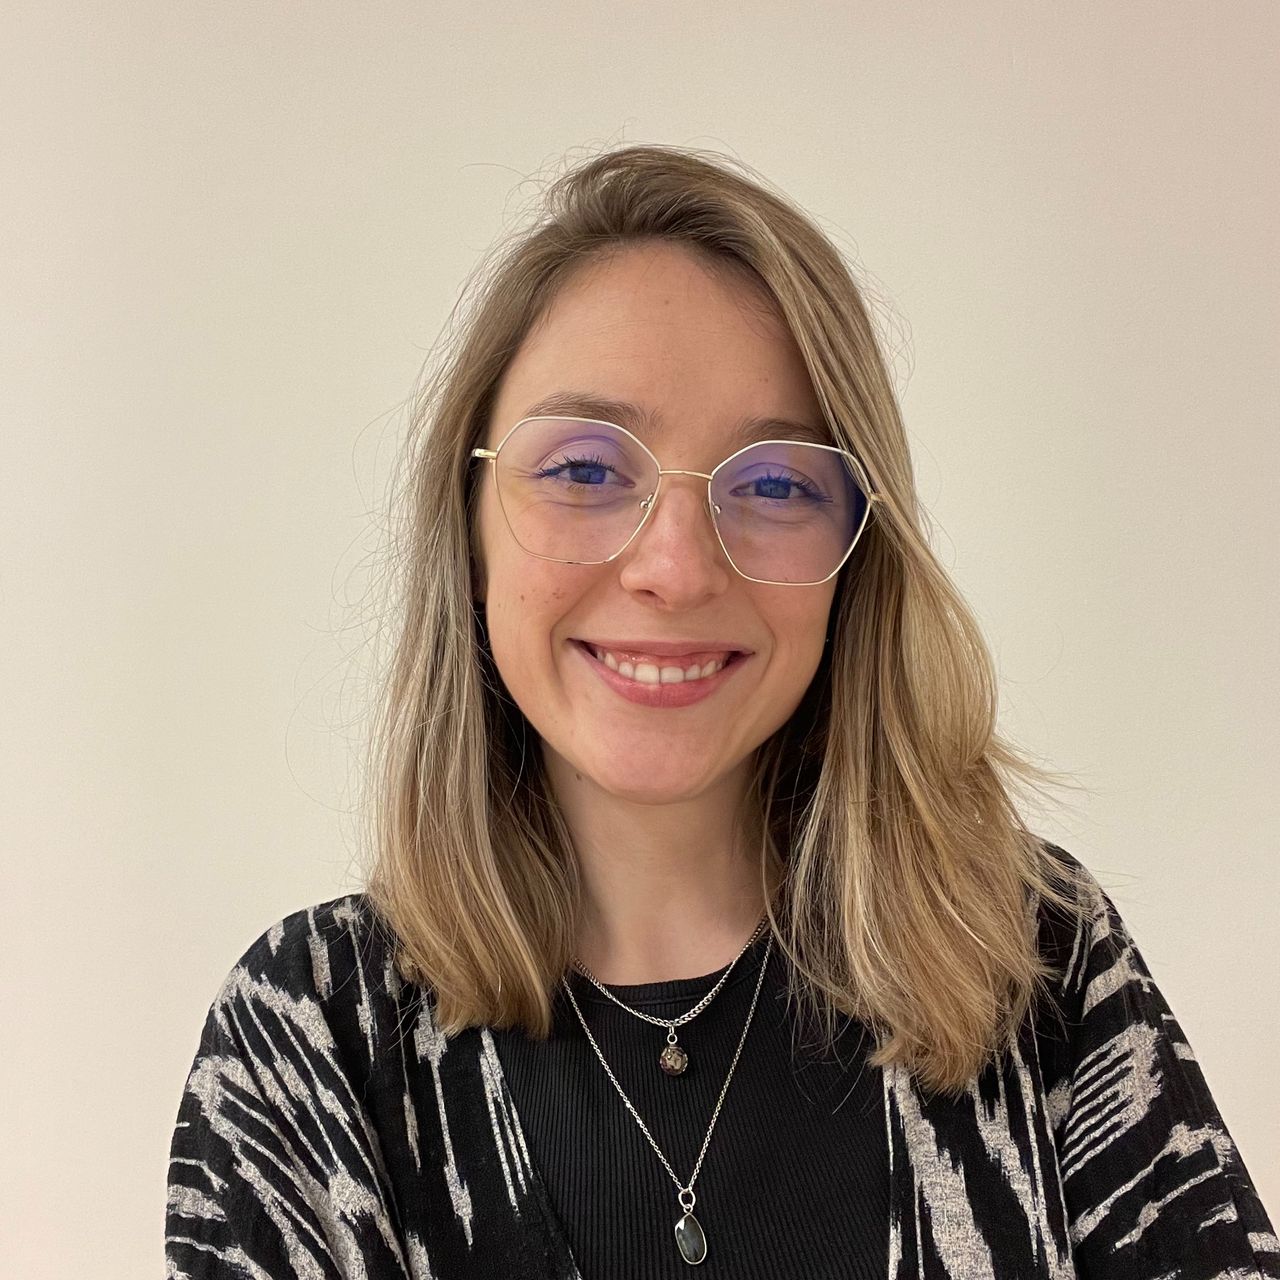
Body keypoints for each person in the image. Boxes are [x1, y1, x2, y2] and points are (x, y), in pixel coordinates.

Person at [164, 145, 1277, 1279]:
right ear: (470, 524)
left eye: (776, 483)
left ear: (857, 558)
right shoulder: (312, 1033)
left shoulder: (1036, 962)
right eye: (584, 469)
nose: (676, 567)